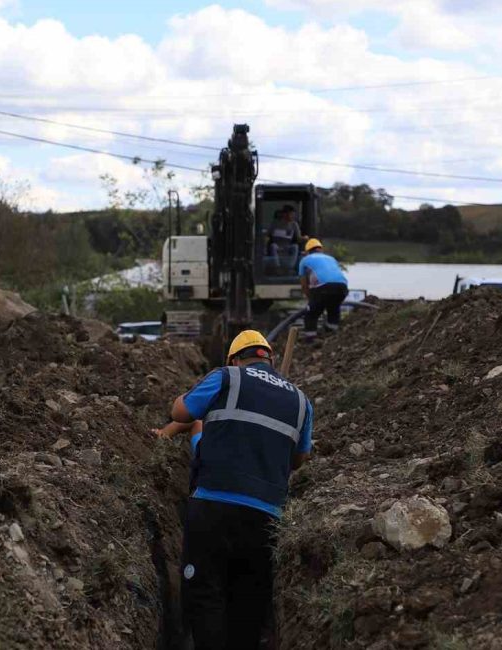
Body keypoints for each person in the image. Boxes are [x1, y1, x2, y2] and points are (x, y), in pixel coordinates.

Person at [169, 330, 313, 650]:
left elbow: (180, 413)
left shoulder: (225, 377)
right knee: (248, 601)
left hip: (213, 506)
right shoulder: (302, 402)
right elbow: (298, 460)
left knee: (205, 593)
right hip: (266, 517)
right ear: (270, 359)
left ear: (235, 359)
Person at [298, 238, 349, 339]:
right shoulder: (331, 258)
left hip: (323, 288)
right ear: (320, 249)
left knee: (311, 314)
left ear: (307, 251)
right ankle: (331, 336)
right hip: (342, 287)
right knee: (333, 310)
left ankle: (311, 340)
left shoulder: (305, 260)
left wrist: (310, 300)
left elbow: (304, 285)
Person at [266, 205, 302, 273]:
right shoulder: (275, 223)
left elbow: (298, 237)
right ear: (284, 214)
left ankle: (290, 267)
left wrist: (304, 238)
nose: (292, 216)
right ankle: (277, 267)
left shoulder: (294, 224)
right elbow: (268, 235)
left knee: (295, 247)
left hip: (287, 246)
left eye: (293, 215)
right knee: (273, 246)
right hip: (277, 245)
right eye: (291, 214)